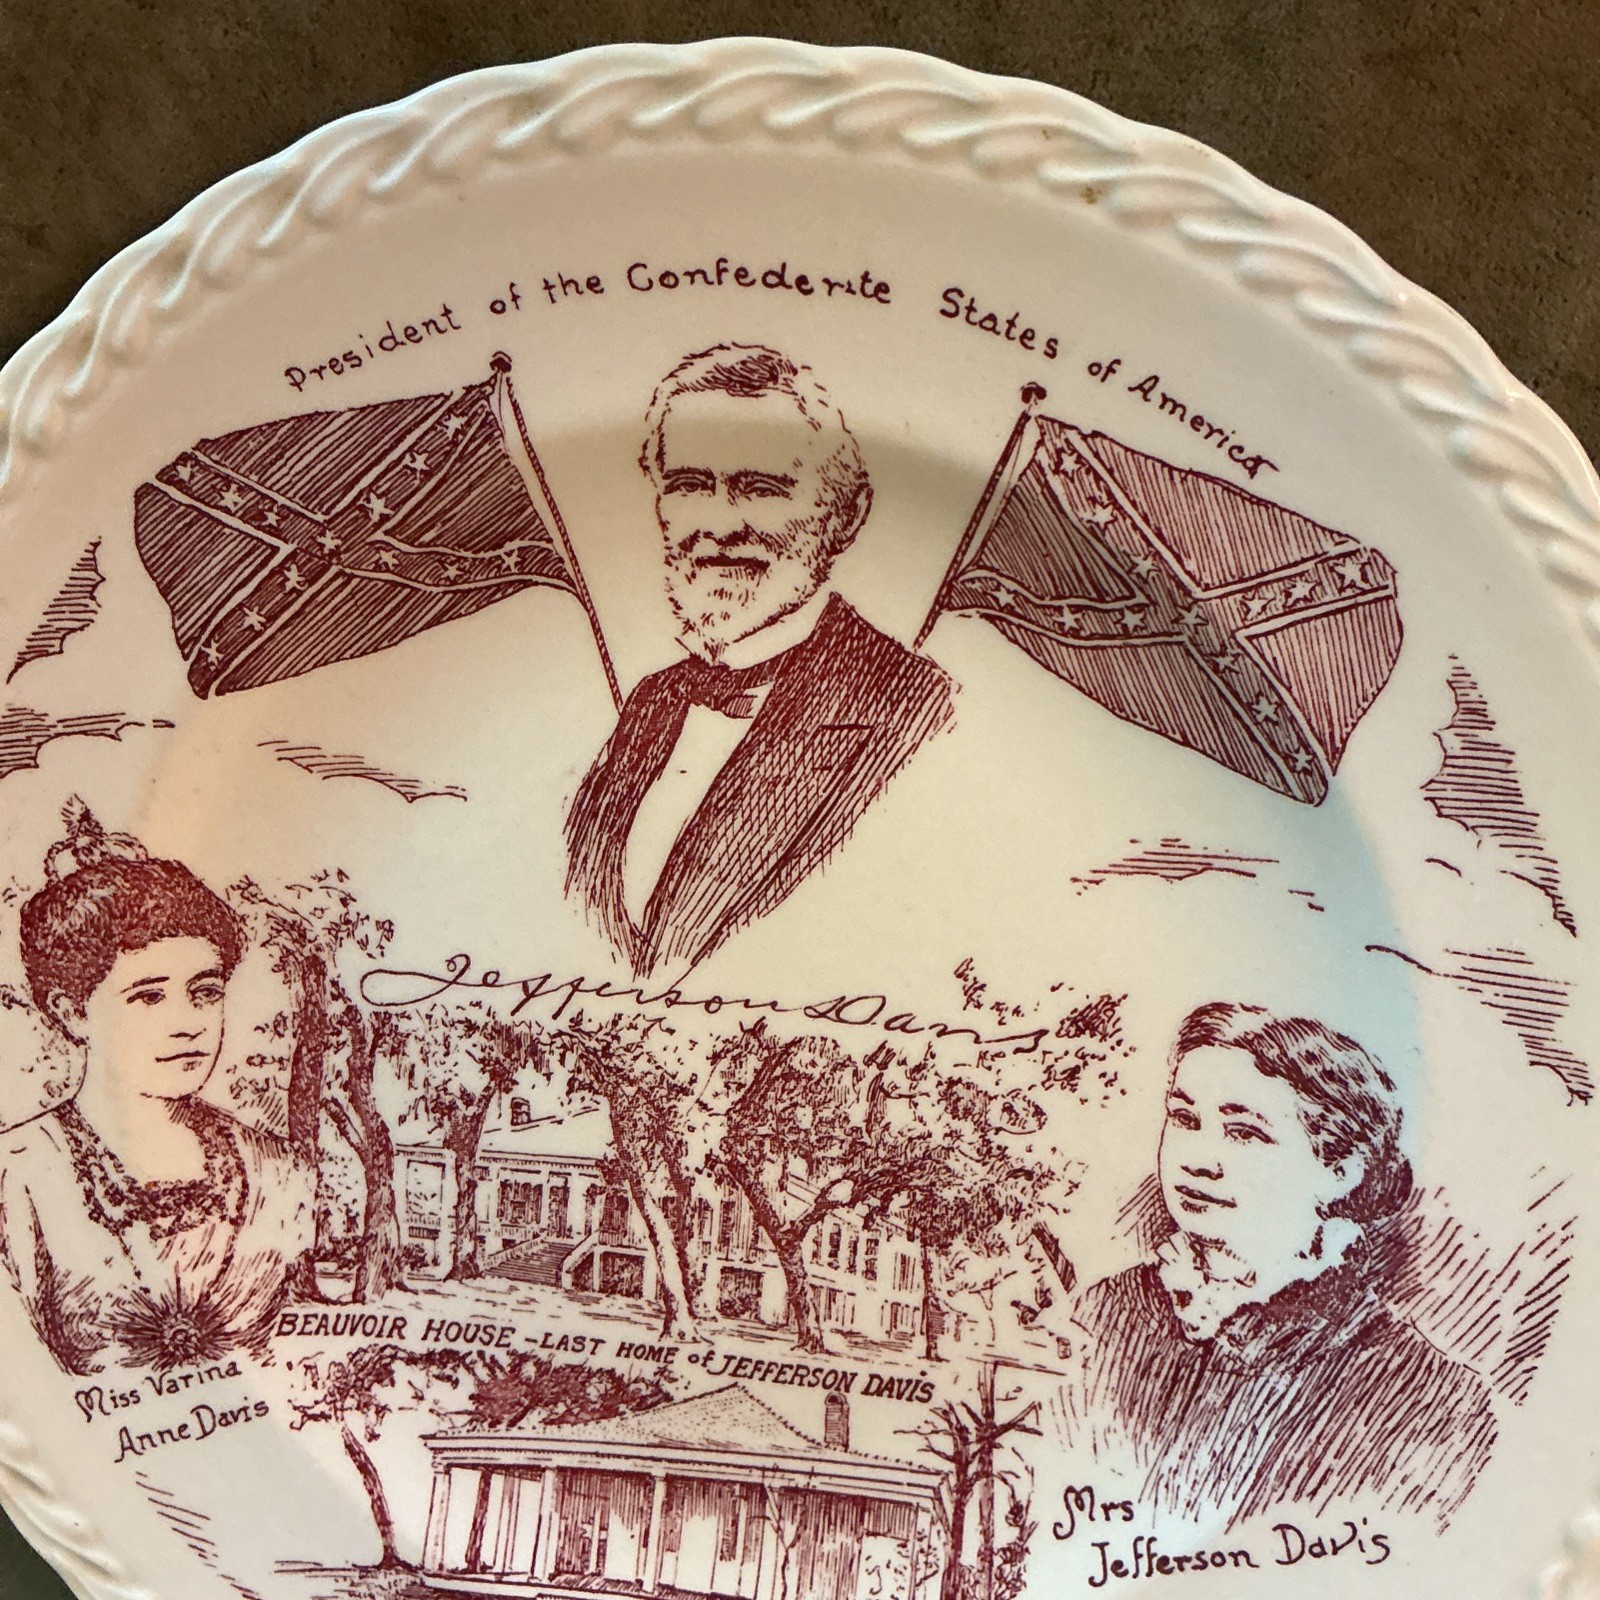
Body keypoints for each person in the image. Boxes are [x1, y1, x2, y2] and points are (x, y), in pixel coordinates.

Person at [566, 342, 955, 978]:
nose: (720, 526)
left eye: (763, 490)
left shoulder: (917, 709)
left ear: (846, 516)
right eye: (689, 486)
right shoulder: (652, 700)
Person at [1074, 1002, 1496, 1531]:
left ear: (1341, 1169)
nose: (1197, 1158)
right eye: (1184, 1119)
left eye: (1244, 1132)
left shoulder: (1435, 1398)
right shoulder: (1100, 1317)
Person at [0, 801, 313, 1374]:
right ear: (72, 1012)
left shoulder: (277, 1170)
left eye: (206, 992)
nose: (187, 1023)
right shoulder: (18, 1172)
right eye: (148, 997)